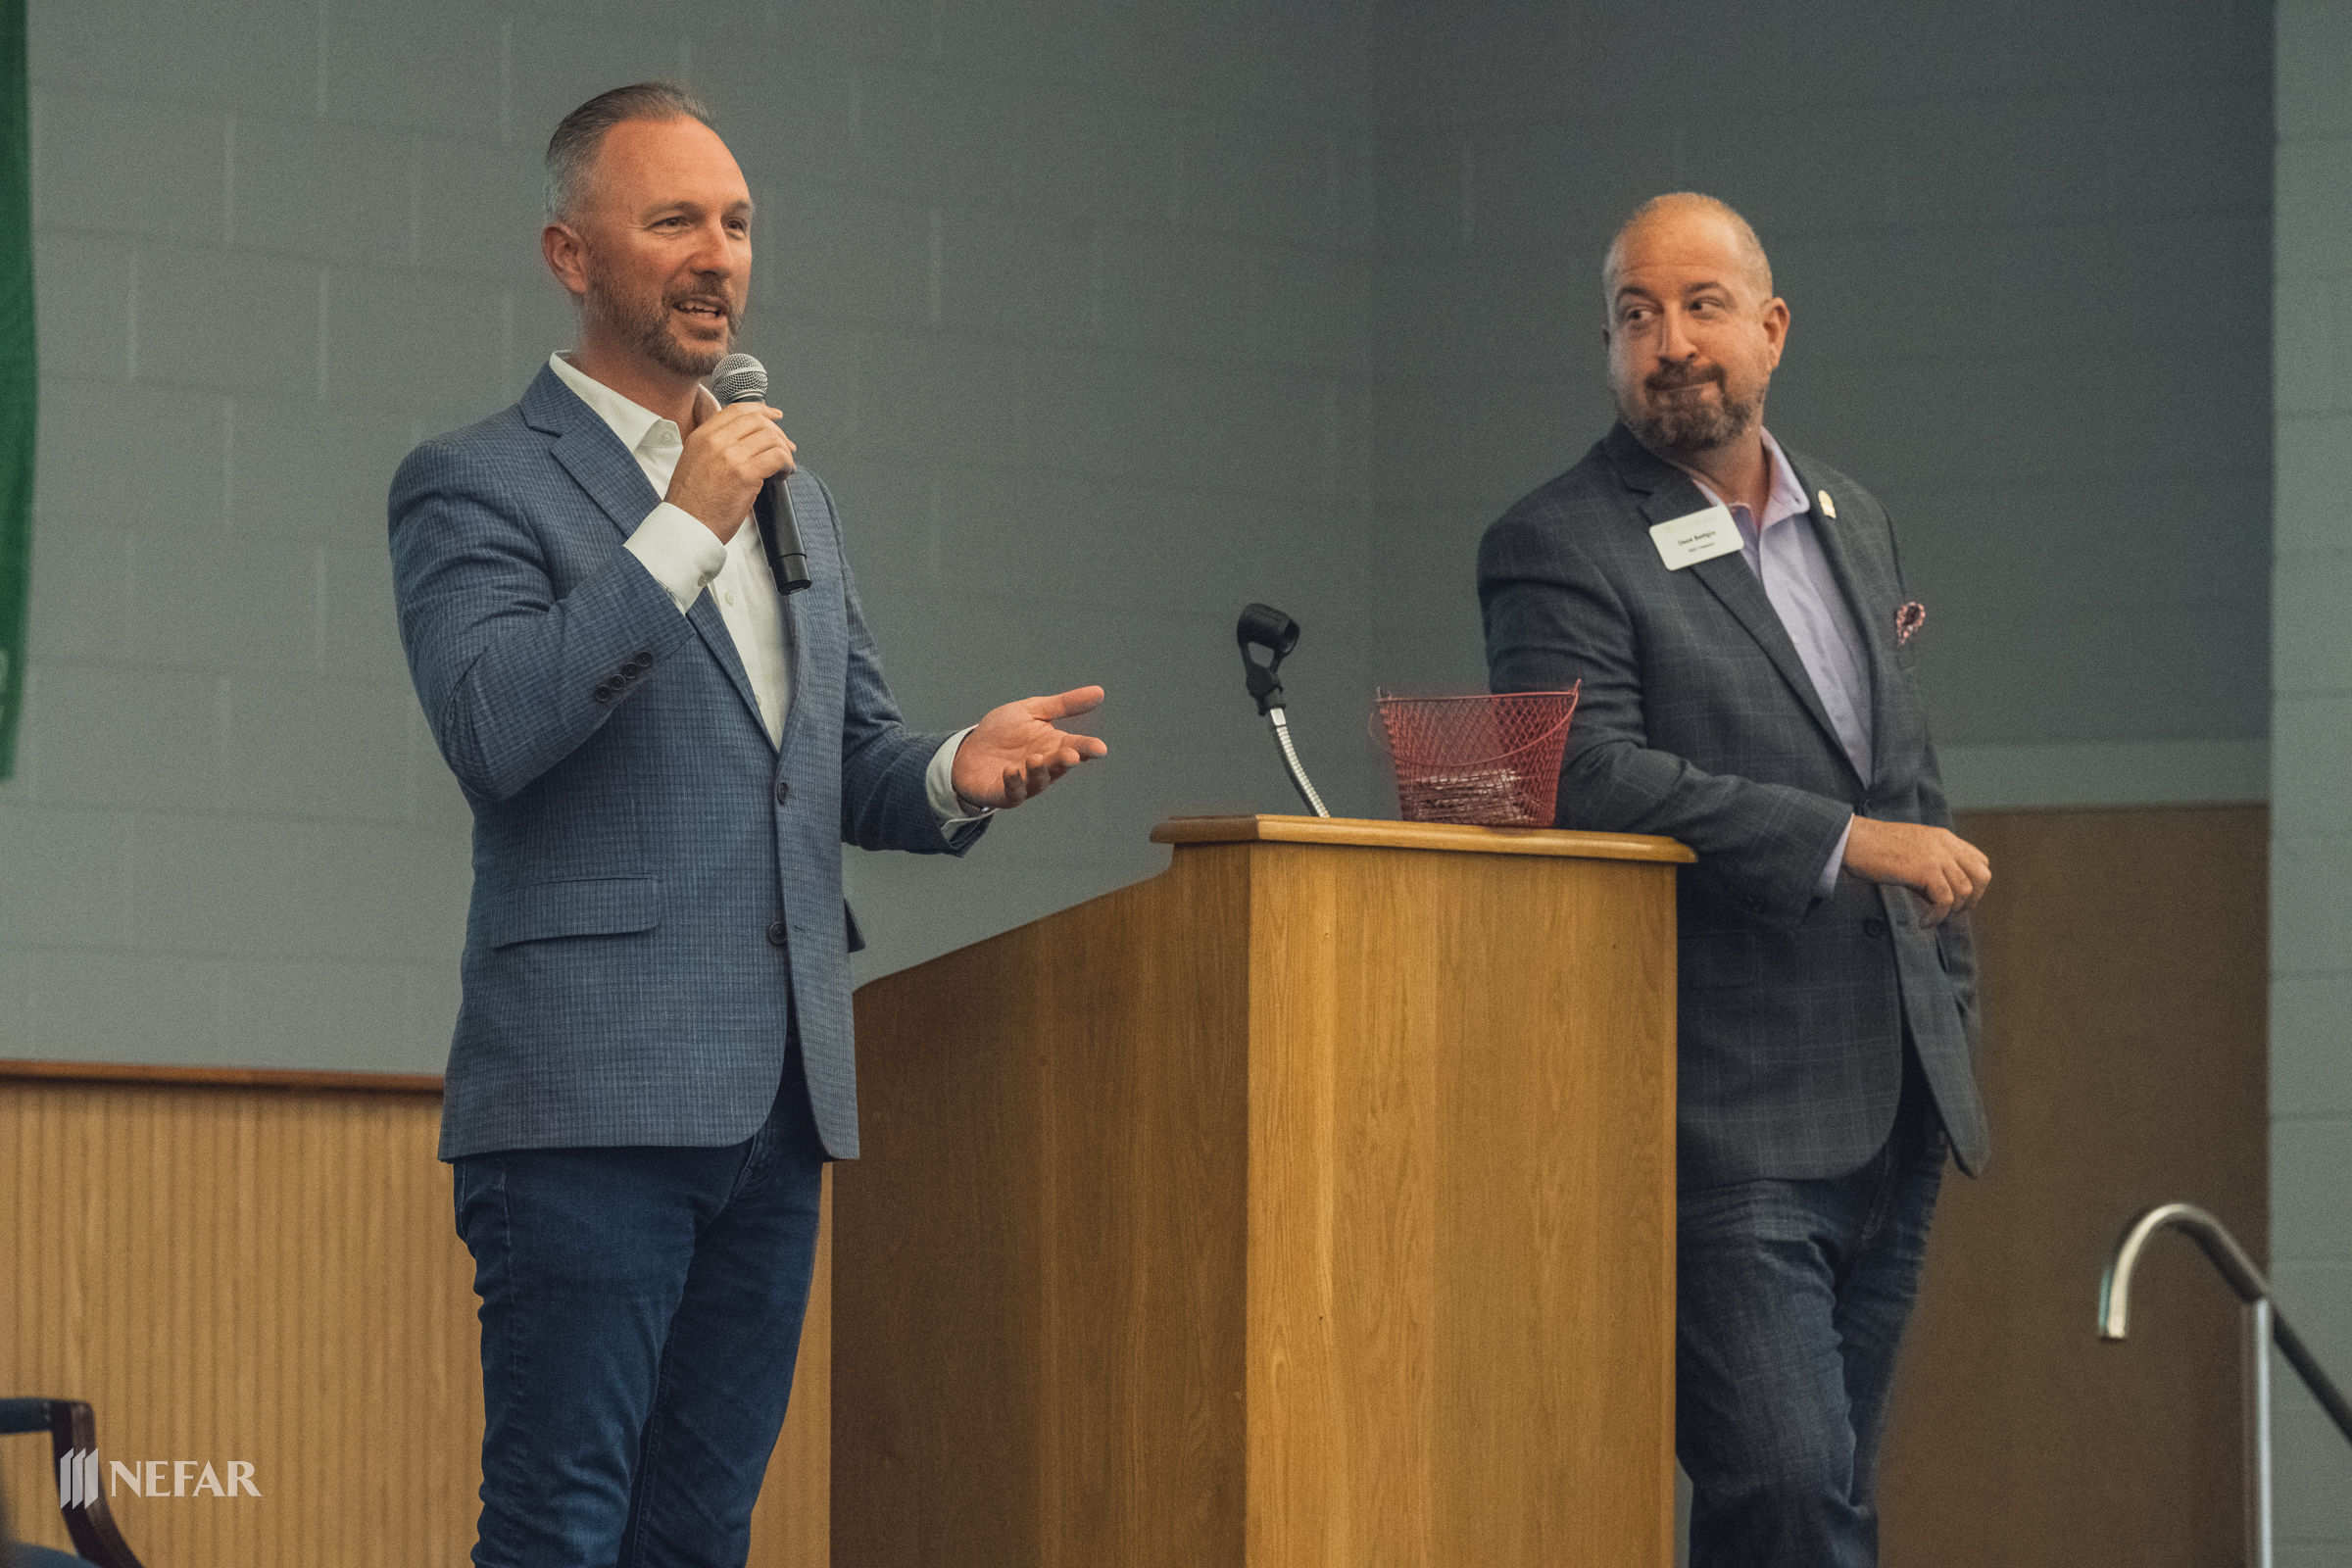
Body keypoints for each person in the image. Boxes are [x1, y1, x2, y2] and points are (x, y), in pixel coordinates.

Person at [388, 82, 1106, 1567]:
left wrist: (953, 768)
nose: (718, 255)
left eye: (737, 223)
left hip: (775, 1105)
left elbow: (837, 761)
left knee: (701, 1534)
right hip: (588, 1104)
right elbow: (496, 729)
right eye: (674, 222)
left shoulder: (795, 500)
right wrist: (681, 527)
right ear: (570, 256)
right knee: (560, 1528)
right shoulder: (475, 483)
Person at [1477, 193, 1991, 1566]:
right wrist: (1843, 842)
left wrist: (1946, 1014)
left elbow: (1903, 777)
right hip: (1722, 1119)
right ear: (1609, 346)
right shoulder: (1556, 541)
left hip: (1894, 1101)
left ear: (1772, 329)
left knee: (1823, 1505)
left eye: (1702, 306)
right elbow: (1581, 773)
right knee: (1788, 1492)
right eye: (1636, 315)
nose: (1672, 343)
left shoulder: (1854, 518)